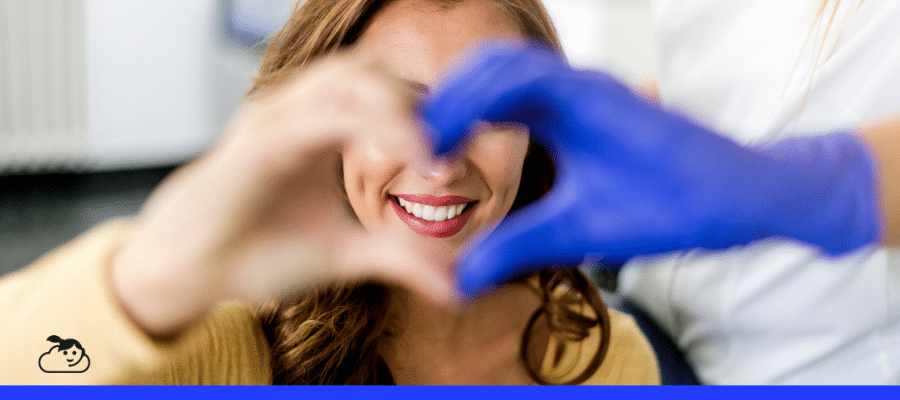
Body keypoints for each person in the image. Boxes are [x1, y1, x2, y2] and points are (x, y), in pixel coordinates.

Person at [0, 0, 659, 385]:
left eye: (492, 111)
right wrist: (151, 275)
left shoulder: (600, 355)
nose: (441, 165)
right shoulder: (227, 341)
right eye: (399, 109)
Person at [422, 0, 900, 384]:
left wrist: (814, 186)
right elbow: (731, 83)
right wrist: (607, 131)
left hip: (828, 367)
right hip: (660, 322)